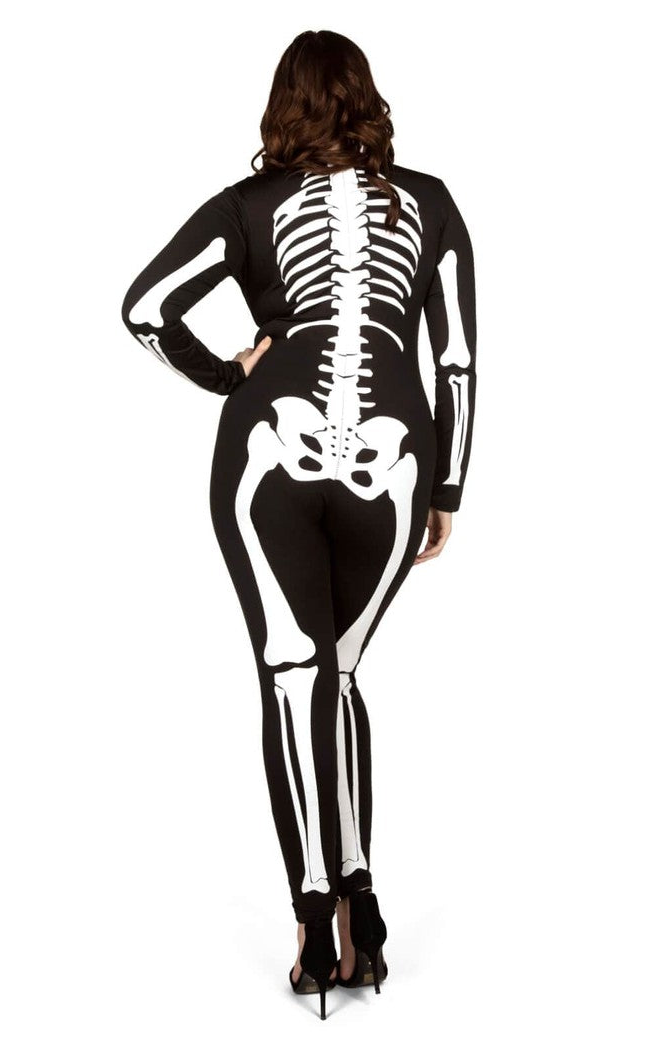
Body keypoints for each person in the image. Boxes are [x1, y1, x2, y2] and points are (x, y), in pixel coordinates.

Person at [120, 29, 477, 1020]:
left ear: (283, 108)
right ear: (369, 99)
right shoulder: (432, 204)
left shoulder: (250, 206)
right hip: (394, 469)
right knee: (341, 676)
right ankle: (364, 910)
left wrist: (229, 371)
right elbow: (455, 361)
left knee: (293, 677)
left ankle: (315, 926)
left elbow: (146, 308)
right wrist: (448, 488)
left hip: (270, 453)